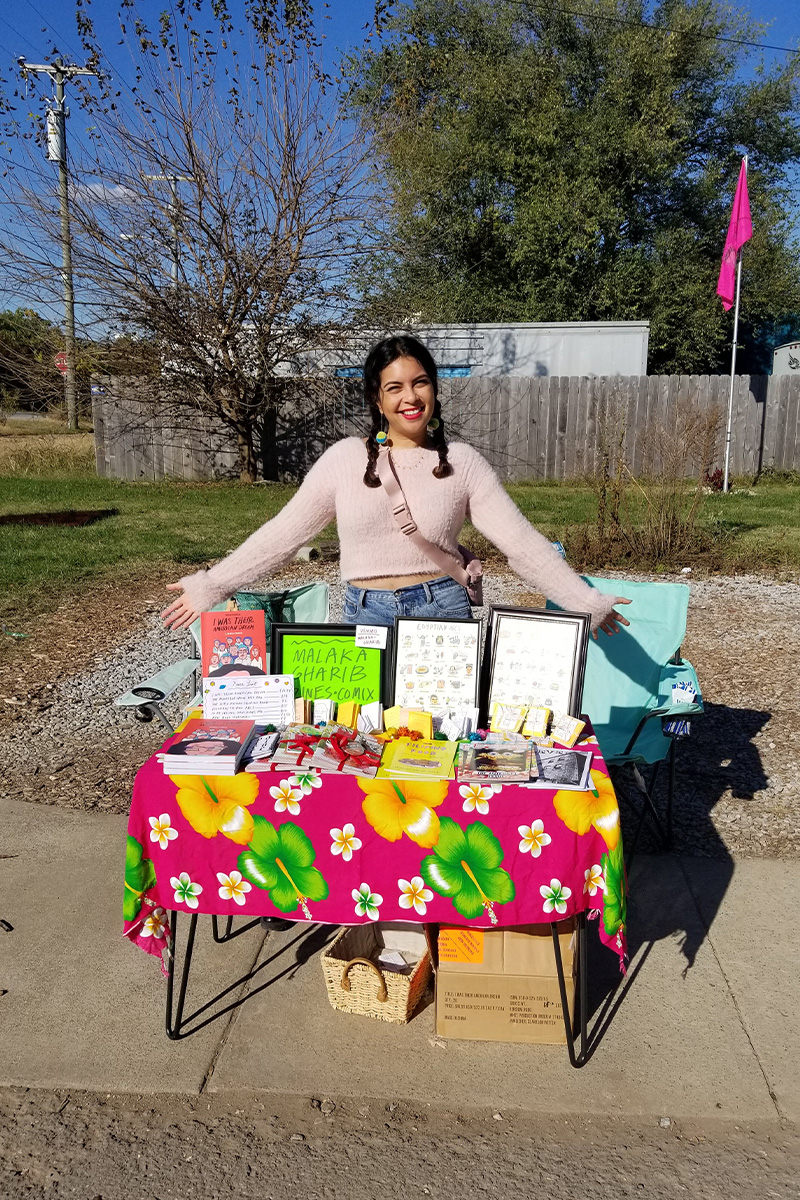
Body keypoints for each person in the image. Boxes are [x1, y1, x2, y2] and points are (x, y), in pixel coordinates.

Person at [162, 335, 631, 636]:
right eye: (394, 387)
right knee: (361, 746)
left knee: (441, 742)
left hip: (442, 609)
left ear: (434, 389)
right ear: (377, 398)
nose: (410, 397)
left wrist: (584, 600)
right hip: (363, 615)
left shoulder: (462, 463)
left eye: (420, 383)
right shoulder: (345, 459)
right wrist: (214, 583)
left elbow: (521, 542)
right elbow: (284, 535)